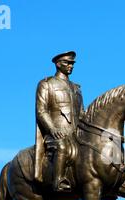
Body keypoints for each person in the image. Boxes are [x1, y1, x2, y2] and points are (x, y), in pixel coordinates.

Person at [34, 51, 84, 191]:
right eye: (67, 63)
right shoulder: (46, 84)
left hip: (75, 135)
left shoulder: (76, 88)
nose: (70, 66)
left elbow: (82, 114)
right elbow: (41, 111)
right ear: (57, 64)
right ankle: (58, 181)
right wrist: (53, 129)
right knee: (62, 146)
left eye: (72, 63)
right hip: (55, 135)